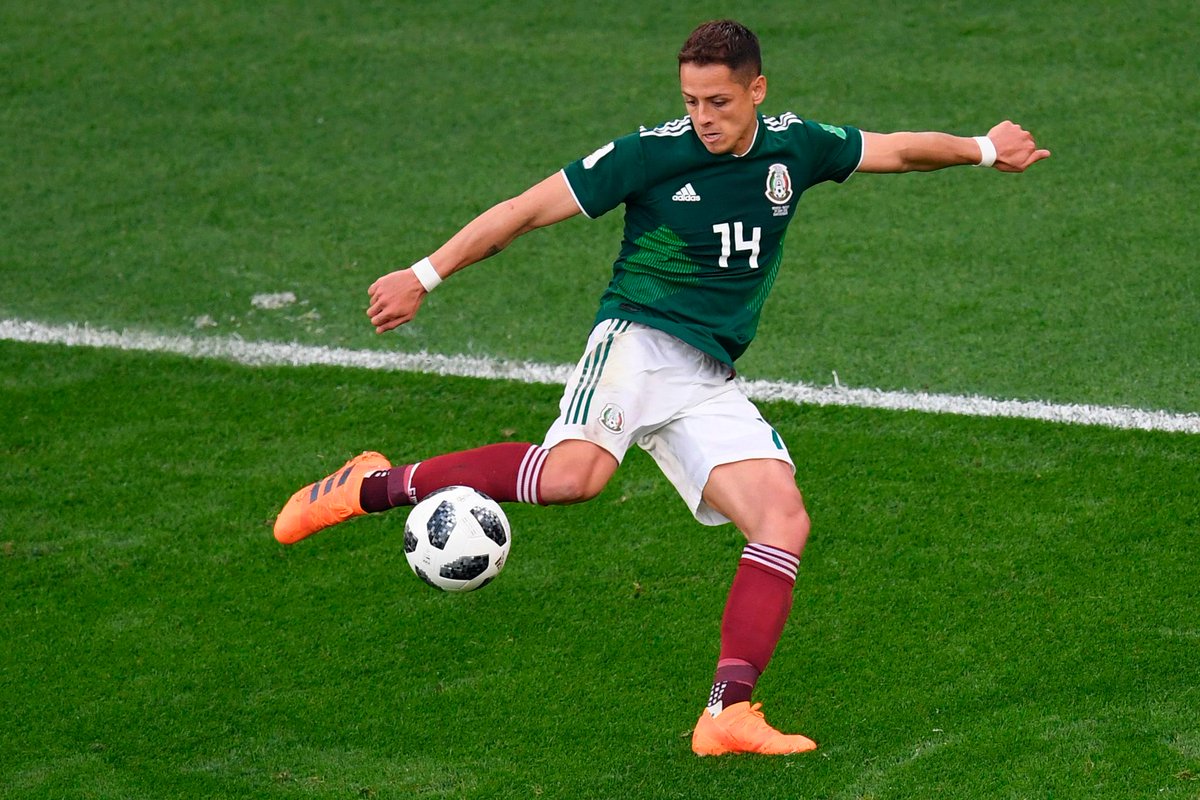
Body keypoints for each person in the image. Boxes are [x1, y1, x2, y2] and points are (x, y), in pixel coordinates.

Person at [274, 19, 1049, 756]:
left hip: (707, 375)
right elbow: (523, 212)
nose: (703, 118)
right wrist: (423, 275)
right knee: (572, 478)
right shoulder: (649, 154)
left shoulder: (796, 147)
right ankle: (370, 487)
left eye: (718, 101)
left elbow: (899, 151)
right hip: (637, 343)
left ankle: (727, 713)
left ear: (756, 90)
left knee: (782, 519)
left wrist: (986, 148)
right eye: (691, 101)